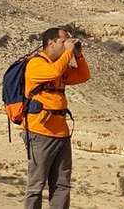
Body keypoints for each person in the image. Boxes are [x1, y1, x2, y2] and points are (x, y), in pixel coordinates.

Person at [23, 26, 91, 209]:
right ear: (51, 43)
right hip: (40, 132)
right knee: (36, 185)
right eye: (63, 41)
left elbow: (84, 76)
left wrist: (78, 55)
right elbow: (53, 73)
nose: (67, 44)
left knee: (62, 184)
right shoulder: (36, 64)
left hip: (61, 133)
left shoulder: (60, 65)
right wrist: (68, 54)